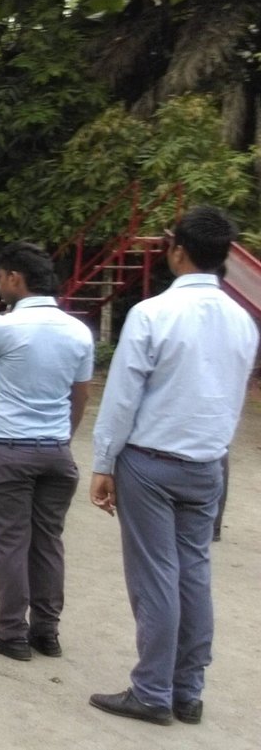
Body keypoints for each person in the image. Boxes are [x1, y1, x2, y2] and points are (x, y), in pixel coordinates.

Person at [86, 207, 257, 726]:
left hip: (150, 462)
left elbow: (122, 398)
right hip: (207, 464)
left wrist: (104, 462)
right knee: (194, 573)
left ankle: (152, 691)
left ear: (178, 250)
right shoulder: (244, 321)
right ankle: (188, 690)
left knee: (155, 576)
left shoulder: (153, 313)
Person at [0, 242, 93, 662]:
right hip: (56, 452)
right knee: (48, 543)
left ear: (15, 279)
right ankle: (46, 631)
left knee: (9, 543)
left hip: (9, 450)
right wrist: (62, 438)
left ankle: (11, 632)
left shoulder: (0, 327)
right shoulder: (78, 331)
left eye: (0, 278)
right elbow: (81, 395)